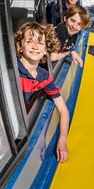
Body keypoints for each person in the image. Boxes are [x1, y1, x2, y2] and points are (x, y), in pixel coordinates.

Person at [14, 22, 69, 163]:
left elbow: (63, 109)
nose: (35, 46)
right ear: (19, 47)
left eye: (40, 43)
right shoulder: (13, 74)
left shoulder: (44, 77)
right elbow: (0, 116)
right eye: (29, 41)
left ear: (46, 50)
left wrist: (62, 140)